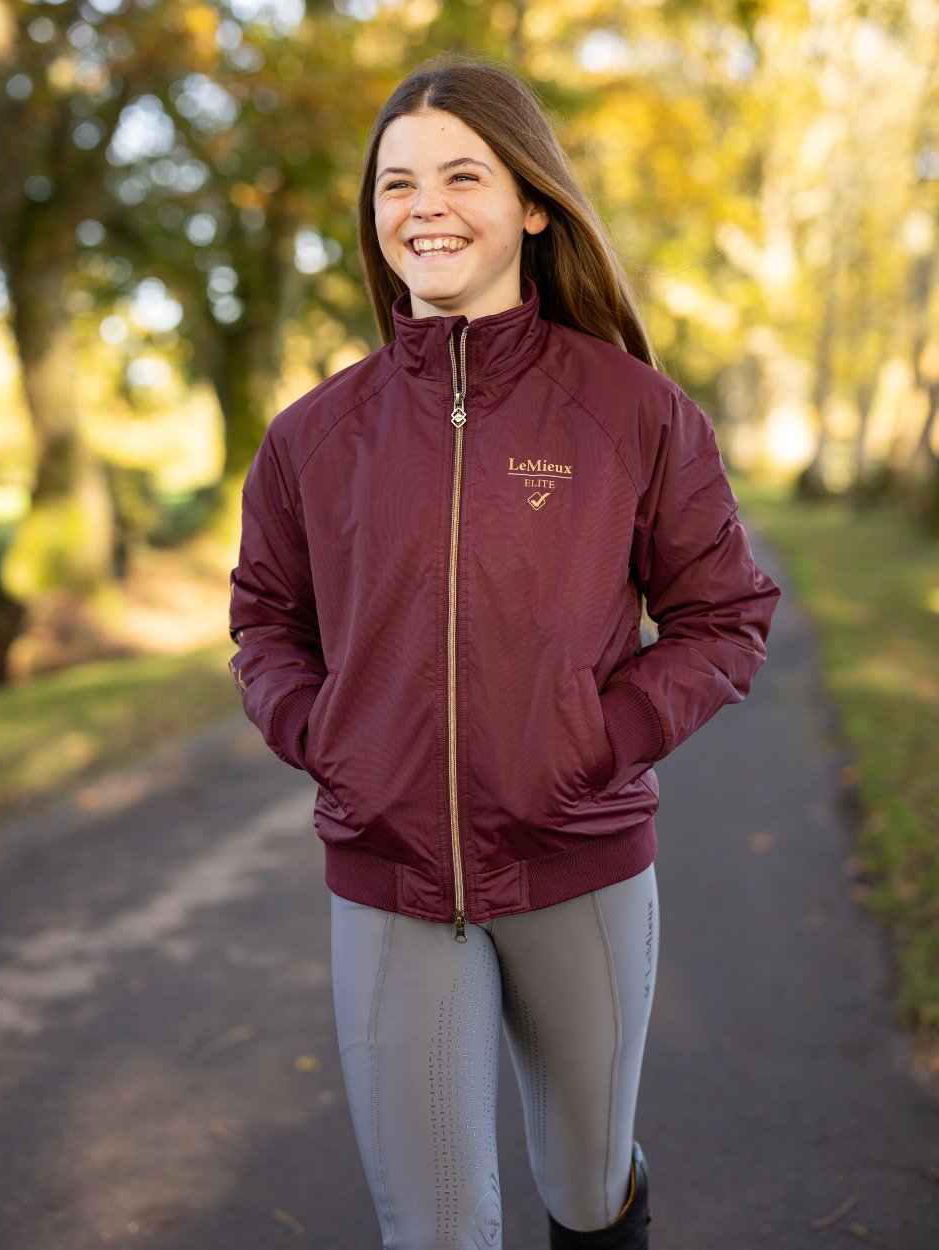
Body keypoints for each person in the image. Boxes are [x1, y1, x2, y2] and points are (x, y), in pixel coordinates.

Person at [229, 56, 779, 1250]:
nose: (422, 206)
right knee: (435, 1229)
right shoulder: (313, 435)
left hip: (578, 862)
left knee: (584, 1186)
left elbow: (724, 613)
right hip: (389, 870)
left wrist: (599, 737)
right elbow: (264, 618)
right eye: (396, 183)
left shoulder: (633, 411)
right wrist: (326, 735)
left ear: (532, 202)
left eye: (461, 175)